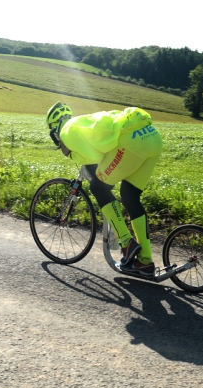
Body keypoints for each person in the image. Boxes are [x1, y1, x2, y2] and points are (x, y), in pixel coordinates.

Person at [46, 102, 163, 277]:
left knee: (98, 187)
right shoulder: (81, 122)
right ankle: (144, 261)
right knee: (129, 196)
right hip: (152, 137)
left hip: (132, 141)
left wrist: (71, 154)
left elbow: (95, 157)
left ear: (55, 129)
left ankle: (126, 243)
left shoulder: (66, 131)